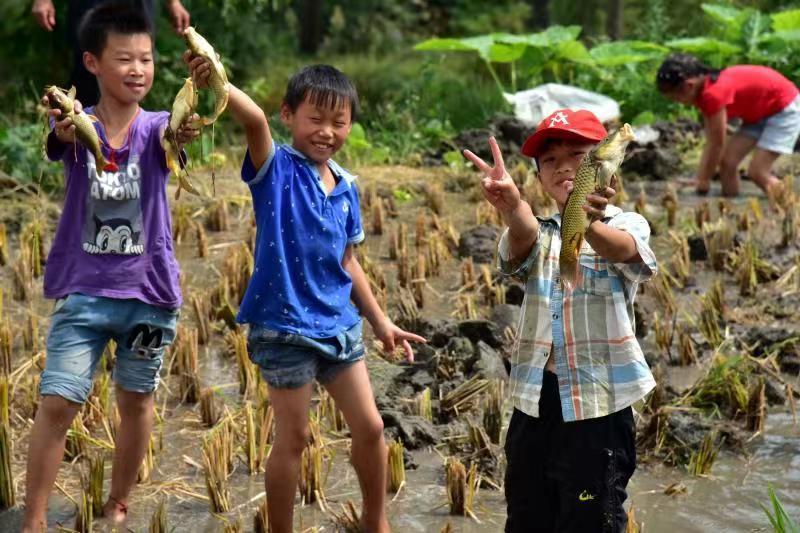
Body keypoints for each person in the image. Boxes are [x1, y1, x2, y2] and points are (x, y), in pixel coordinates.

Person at [186, 54, 426, 533]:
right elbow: (251, 119)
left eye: (339, 122)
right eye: (315, 119)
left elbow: (348, 262)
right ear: (288, 115)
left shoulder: (346, 187)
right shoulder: (275, 170)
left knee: (373, 427)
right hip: (285, 327)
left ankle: (375, 522)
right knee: (293, 439)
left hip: (338, 327)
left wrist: (381, 323)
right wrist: (217, 82)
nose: (327, 131)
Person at [22, 3, 199, 532]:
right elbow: (59, 138)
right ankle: (33, 519)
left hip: (149, 296)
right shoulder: (75, 126)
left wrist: (200, 101)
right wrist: (69, 123)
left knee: (137, 402)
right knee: (57, 402)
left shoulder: (161, 128)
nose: (138, 69)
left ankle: (119, 499)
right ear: (93, 63)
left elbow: (185, 130)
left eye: (146, 59)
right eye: (125, 59)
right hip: (83, 294)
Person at [463, 109, 658, 533]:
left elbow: (627, 253)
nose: (564, 165)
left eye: (578, 154)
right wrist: (513, 206)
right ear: (538, 176)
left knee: (592, 518)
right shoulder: (539, 230)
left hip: (599, 406)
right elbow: (519, 245)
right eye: (549, 160)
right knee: (527, 515)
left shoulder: (625, 223)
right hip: (534, 401)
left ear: (602, 167)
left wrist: (585, 221)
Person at [656, 53, 800, 197]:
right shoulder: (705, 88)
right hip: (759, 112)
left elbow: (716, 143)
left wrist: (703, 180)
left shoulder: (712, 95)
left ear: (688, 86)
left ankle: (793, 207)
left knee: (758, 172)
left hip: (784, 108)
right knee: (727, 163)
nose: (677, 102)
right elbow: (714, 139)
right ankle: (731, 206)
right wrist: (702, 178)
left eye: (675, 98)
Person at [31, 0, 191, 106]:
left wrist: (173, 2)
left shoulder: (158, 126)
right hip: (91, 4)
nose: (137, 70)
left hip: (138, 5)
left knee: (136, 59)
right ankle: (85, 145)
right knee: (87, 79)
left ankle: (126, 144)